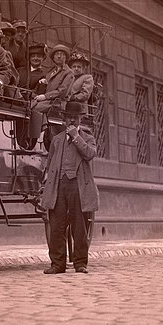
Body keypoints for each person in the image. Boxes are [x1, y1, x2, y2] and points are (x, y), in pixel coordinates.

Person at [41, 100, 99, 274]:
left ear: (80, 120)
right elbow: (50, 162)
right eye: (69, 118)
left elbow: (90, 154)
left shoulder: (87, 138)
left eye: (75, 118)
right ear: (64, 119)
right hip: (59, 185)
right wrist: (45, 181)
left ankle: (80, 263)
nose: (72, 121)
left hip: (78, 186)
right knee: (57, 225)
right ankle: (57, 264)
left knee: (78, 225)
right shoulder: (57, 140)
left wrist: (76, 137)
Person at [28, 43, 74, 142]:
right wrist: (42, 84)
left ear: (66, 57)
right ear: (53, 57)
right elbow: (45, 88)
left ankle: (33, 138)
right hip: (48, 101)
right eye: (56, 54)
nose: (59, 56)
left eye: (62, 54)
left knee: (35, 108)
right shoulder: (50, 72)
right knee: (29, 105)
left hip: (58, 103)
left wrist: (45, 96)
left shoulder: (68, 73)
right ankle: (42, 126)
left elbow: (62, 91)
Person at [15, 43, 49, 149]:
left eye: (38, 56)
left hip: (32, 101)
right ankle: (20, 140)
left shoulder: (45, 74)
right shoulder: (20, 71)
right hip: (17, 99)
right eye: (33, 56)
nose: (35, 58)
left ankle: (29, 141)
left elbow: (40, 92)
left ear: (43, 58)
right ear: (29, 58)